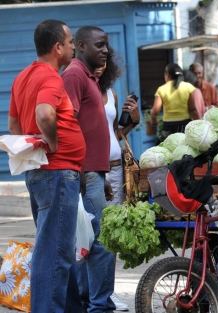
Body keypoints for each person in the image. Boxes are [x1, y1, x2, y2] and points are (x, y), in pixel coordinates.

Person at [8, 19, 86, 312]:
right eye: (69, 43)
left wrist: (33, 149)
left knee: (58, 250)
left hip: (42, 172)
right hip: (56, 172)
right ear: (57, 48)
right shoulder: (51, 78)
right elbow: (44, 113)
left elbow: (14, 124)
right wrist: (51, 144)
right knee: (53, 253)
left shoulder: (22, 77)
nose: (72, 49)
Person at [62, 25, 116, 312]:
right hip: (83, 173)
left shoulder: (89, 78)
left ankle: (90, 303)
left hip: (95, 173)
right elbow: (67, 121)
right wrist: (80, 168)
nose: (105, 50)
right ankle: (99, 306)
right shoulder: (73, 74)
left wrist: (100, 174)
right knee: (103, 243)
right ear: (81, 46)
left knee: (88, 242)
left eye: (106, 45)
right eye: (99, 45)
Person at [93, 46, 140, 312]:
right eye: (96, 61)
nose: (100, 65)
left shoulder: (110, 93)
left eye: (105, 61)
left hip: (116, 169)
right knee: (94, 237)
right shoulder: (82, 91)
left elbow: (114, 133)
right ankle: (96, 296)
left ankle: (107, 294)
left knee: (110, 239)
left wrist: (133, 121)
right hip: (94, 171)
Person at [150, 63, 202, 140]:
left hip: (168, 126)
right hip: (185, 125)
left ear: (167, 74)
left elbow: (156, 110)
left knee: (169, 148)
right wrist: (200, 124)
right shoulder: (188, 87)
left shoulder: (161, 89)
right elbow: (193, 109)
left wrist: (153, 121)